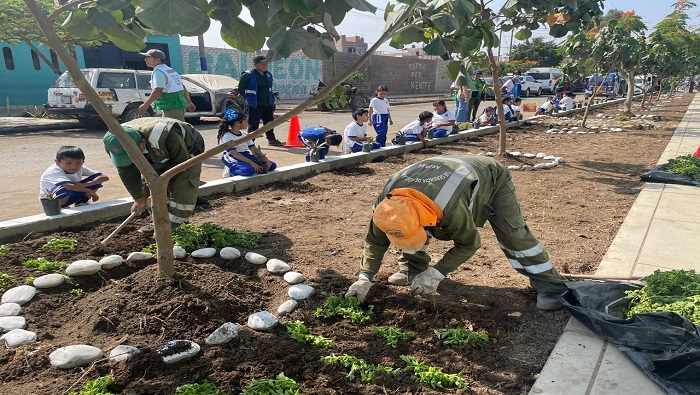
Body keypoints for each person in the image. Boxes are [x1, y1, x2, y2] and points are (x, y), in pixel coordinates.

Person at [344, 154, 568, 311]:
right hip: (438, 172)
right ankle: (413, 270)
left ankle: (550, 286)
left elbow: (469, 243)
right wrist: (365, 277)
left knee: (513, 234)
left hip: (489, 174)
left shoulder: (449, 208)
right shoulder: (385, 208)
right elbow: (374, 241)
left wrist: (438, 273)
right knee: (407, 232)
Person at [103, 117, 205, 228]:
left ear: (142, 143)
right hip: (155, 151)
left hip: (188, 148)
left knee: (182, 188)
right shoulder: (112, 141)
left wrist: (166, 182)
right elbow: (126, 171)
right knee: (148, 186)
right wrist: (138, 197)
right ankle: (159, 223)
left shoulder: (168, 137)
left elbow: (181, 165)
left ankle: (176, 227)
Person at [40, 146, 109, 207]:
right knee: (63, 189)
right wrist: (89, 191)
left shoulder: (81, 167)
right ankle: (62, 207)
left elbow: (104, 177)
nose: (73, 166)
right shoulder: (54, 171)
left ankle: (82, 202)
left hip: (72, 193)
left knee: (96, 179)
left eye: (78, 163)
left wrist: (85, 184)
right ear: (57, 162)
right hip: (52, 200)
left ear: (83, 162)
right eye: (68, 163)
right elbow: (68, 186)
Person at [137, 49, 195, 122]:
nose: (145, 60)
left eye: (148, 58)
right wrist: (189, 102)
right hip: (178, 106)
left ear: (157, 60)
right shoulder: (170, 70)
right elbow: (182, 87)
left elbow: (158, 90)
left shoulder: (158, 72)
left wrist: (145, 105)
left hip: (171, 108)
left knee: (175, 130)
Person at [238, 55, 283, 146]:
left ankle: (271, 139)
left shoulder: (268, 74)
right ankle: (249, 142)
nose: (265, 66)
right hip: (255, 104)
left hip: (268, 103)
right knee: (254, 124)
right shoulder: (247, 75)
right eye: (262, 64)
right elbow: (241, 89)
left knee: (269, 123)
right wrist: (247, 100)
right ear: (255, 65)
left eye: (266, 64)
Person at [218, 109, 277, 177]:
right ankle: (231, 171)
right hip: (232, 156)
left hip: (245, 155)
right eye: (245, 121)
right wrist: (252, 163)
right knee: (248, 170)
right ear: (238, 123)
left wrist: (264, 158)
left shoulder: (244, 134)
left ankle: (249, 166)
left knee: (272, 166)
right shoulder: (227, 136)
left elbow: (253, 148)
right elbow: (234, 153)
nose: (247, 123)